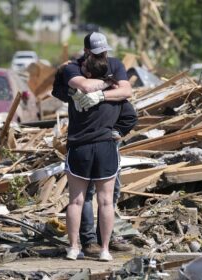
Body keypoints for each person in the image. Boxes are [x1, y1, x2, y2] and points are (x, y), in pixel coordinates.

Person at [53, 32, 135, 261]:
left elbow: (125, 91)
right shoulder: (73, 68)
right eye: (98, 52)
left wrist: (100, 94)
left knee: (79, 199)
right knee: (99, 199)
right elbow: (87, 86)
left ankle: (76, 247)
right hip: (102, 145)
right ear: (87, 51)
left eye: (103, 51)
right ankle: (96, 245)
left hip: (82, 145)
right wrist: (109, 85)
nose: (102, 55)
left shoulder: (114, 65)